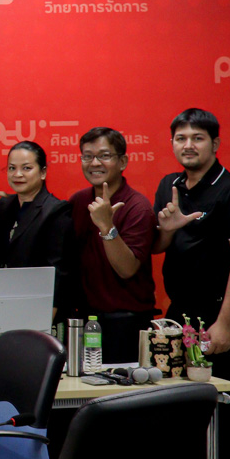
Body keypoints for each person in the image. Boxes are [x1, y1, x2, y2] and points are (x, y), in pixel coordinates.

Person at [153, 109, 230, 385]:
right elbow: (158, 246)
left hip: (218, 312)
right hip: (180, 312)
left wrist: (225, 323)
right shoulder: (170, 185)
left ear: (215, 144)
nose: (188, 145)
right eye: (181, 138)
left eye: (197, 138)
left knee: (210, 398)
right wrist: (167, 229)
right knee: (171, 395)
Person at [64, 127, 156, 363]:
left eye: (104, 156)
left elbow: (127, 269)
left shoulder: (137, 206)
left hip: (126, 323)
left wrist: (106, 226)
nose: (95, 163)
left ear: (122, 161)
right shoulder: (78, 201)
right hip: (84, 321)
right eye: (87, 156)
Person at [0, 141, 70, 289]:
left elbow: (58, 269)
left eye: (26, 168)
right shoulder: (5, 205)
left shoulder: (56, 210)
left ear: (43, 172)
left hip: (36, 293)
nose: (17, 174)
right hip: (2, 290)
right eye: (12, 168)